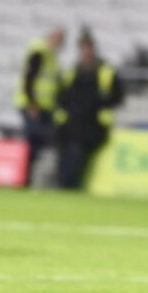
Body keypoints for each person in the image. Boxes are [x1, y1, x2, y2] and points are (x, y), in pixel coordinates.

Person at [55, 31, 123, 189]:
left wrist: (97, 103)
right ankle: (63, 183)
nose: (85, 52)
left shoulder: (105, 71)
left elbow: (117, 97)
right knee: (64, 152)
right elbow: (61, 96)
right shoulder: (73, 71)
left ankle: (68, 185)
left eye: (88, 48)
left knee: (76, 153)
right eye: (83, 49)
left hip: (93, 124)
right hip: (70, 124)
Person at [15, 27, 64, 184]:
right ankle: (26, 179)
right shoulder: (40, 52)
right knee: (35, 143)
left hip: (46, 107)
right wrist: (32, 104)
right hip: (34, 106)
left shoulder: (51, 56)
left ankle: (35, 180)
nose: (60, 43)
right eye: (59, 39)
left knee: (40, 144)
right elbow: (29, 77)